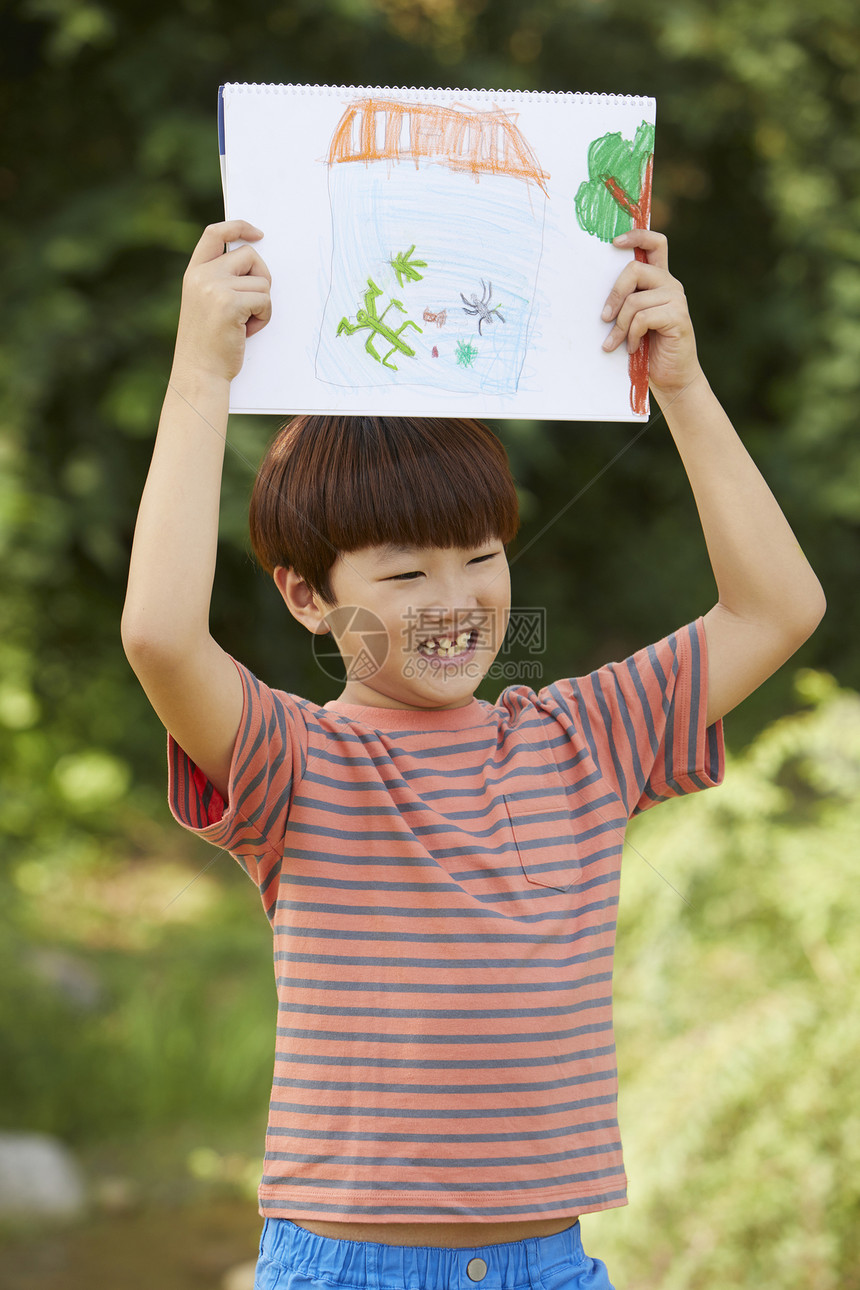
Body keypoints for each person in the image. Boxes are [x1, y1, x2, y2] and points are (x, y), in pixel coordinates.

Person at [122, 220, 825, 1290]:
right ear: (309, 598)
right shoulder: (294, 764)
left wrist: (678, 385)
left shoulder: (586, 737)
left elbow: (777, 606)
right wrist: (198, 376)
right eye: (403, 578)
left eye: (482, 558)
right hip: (348, 1269)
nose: (453, 603)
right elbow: (161, 638)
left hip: (548, 1265)